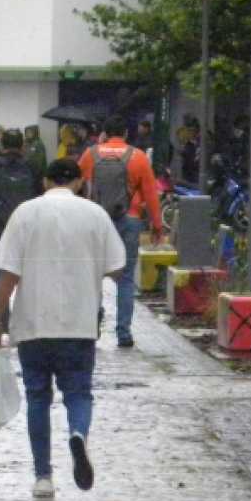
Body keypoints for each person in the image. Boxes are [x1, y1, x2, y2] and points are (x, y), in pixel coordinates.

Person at [0, 158, 126, 498]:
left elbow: (8, 273)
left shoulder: (25, 213)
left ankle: (43, 477)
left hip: (34, 323)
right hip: (80, 324)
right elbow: (118, 269)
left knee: (38, 396)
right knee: (78, 393)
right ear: (79, 182)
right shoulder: (95, 215)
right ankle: (78, 433)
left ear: (46, 182)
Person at [78, 114, 163, 349]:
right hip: (130, 219)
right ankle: (123, 332)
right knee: (125, 279)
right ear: (126, 133)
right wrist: (157, 226)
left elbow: (77, 187)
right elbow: (151, 195)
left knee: (94, 275)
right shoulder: (138, 157)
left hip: (95, 220)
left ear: (104, 133)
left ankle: (92, 325)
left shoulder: (90, 155)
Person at [0, 129, 44, 327]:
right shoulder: (33, 167)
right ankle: (27, 319)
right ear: (22, 146)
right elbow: (42, 198)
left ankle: (1, 319)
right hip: (29, 228)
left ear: (2, 145)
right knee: (29, 274)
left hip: (0, 228)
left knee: (0, 274)